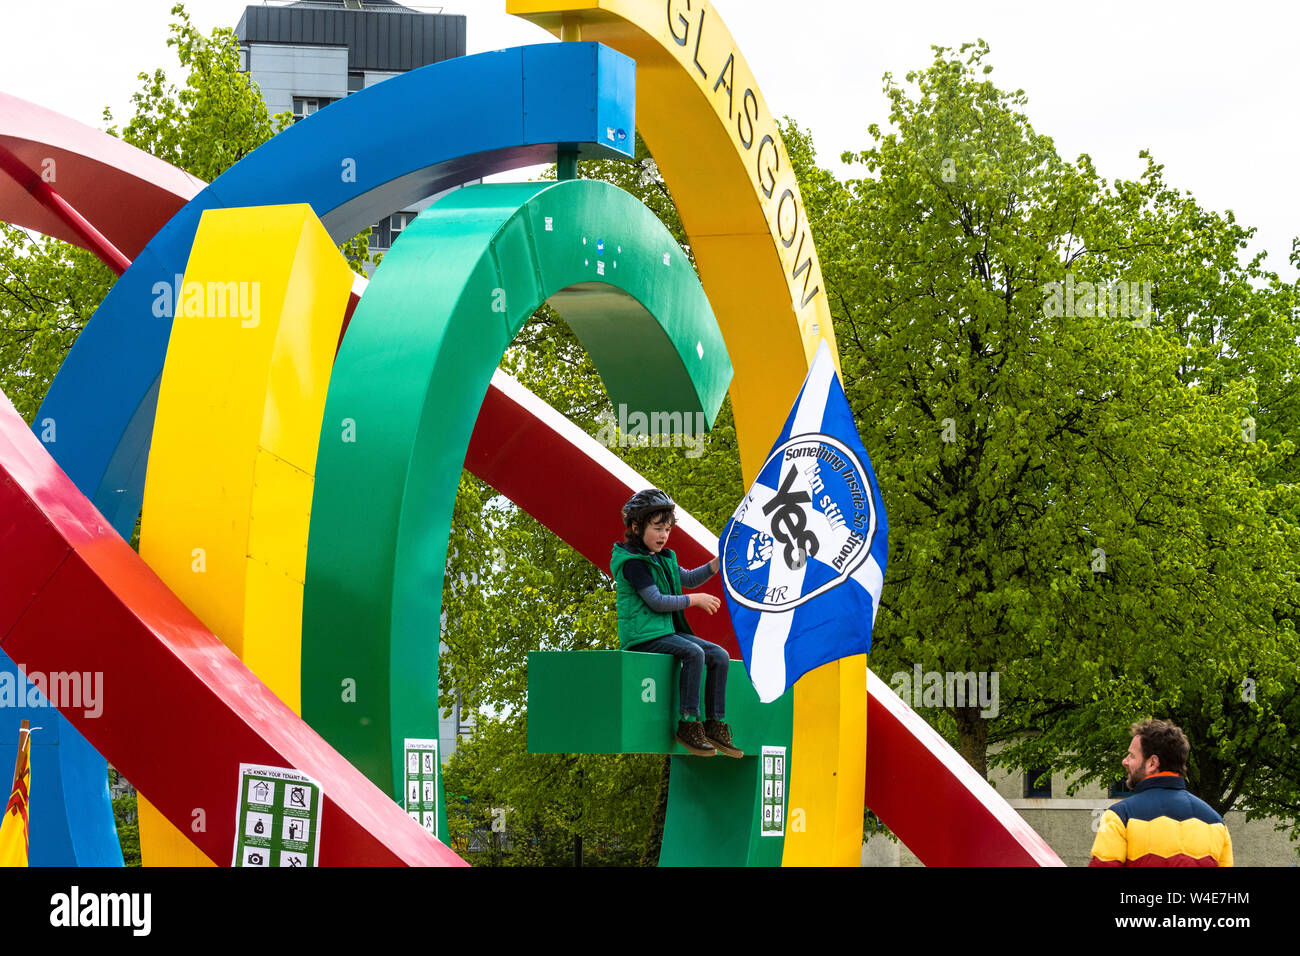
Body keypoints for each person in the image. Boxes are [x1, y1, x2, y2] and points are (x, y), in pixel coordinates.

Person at [610, 488, 743, 758]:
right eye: (658, 528)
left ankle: (714, 724)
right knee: (693, 652)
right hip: (643, 636)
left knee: (719, 654)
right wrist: (694, 600)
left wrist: (717, 563)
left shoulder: (663, 558)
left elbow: (689, 578)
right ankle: (688, 723)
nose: (663, 536)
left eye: (668, 529)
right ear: (636, 526)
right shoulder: (633, 564)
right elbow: (657, 601)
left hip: (665, 632)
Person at [1088, 718, 1232, 866]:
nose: (1125, 761)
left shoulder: (1119, 816)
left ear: (1152, 763)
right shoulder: (1216, 823)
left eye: (1131, 755)